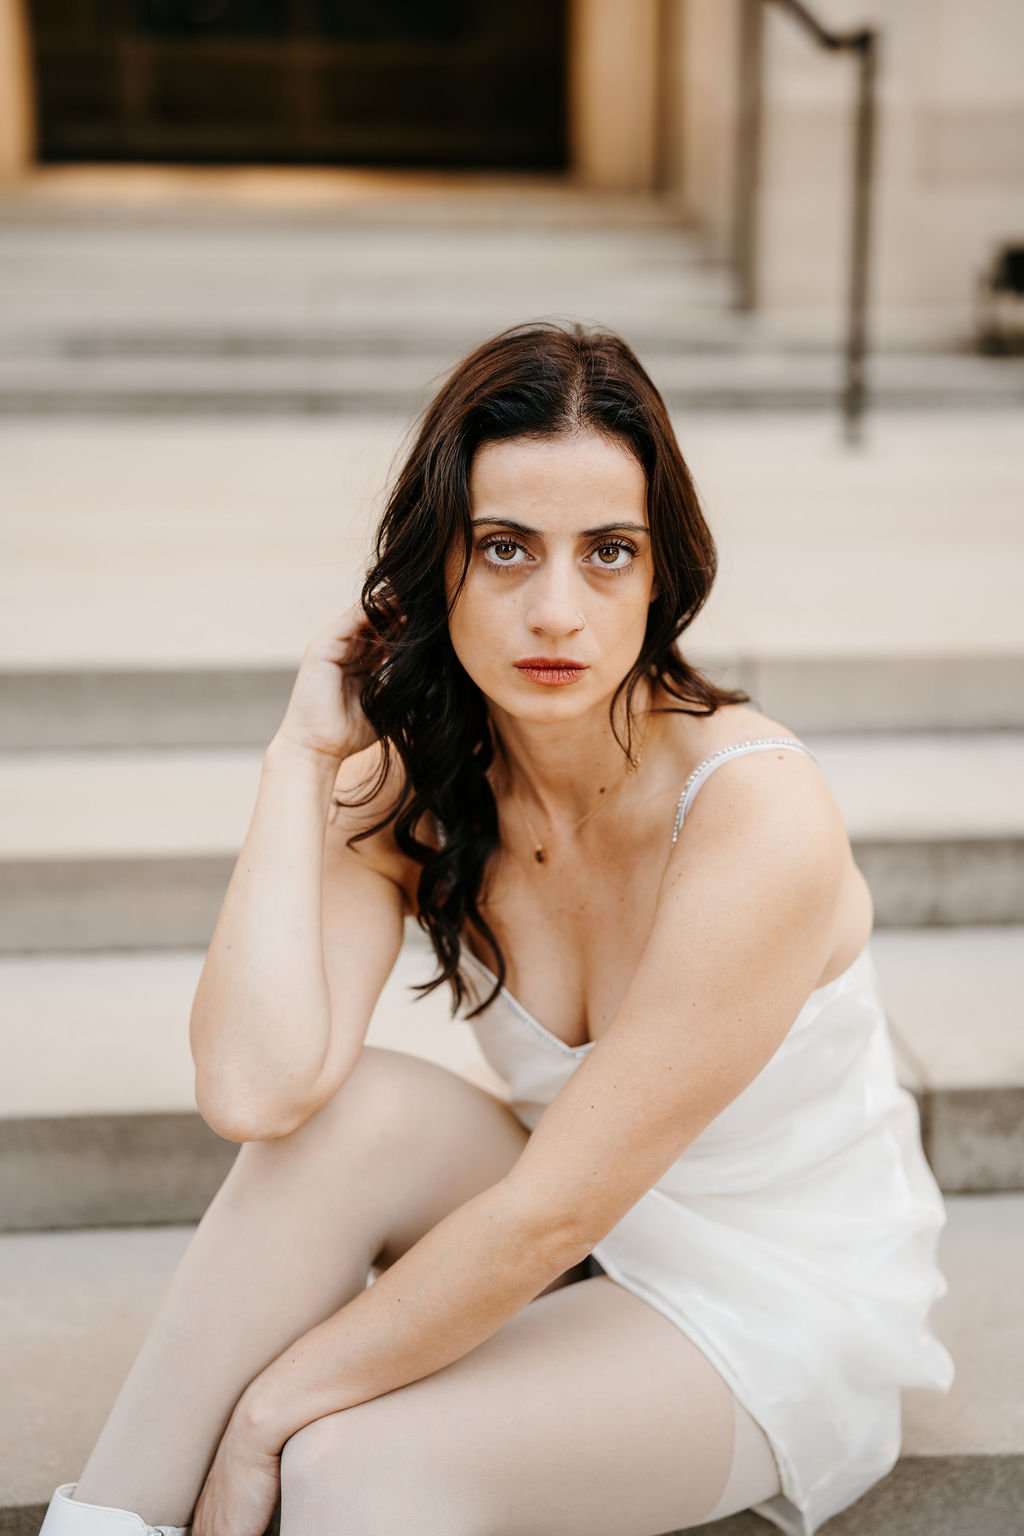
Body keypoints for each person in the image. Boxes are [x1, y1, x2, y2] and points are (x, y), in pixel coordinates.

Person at [39, 320, 954, 1536]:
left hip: (763, 1295)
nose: (556, 611)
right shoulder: (425, 780)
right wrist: (301, 755)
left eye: (607, 553)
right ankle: (104, 1522)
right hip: (583, 1231)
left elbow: (549, 1214)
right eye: (506, 549)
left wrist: (265, 1416)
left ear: (660, 575)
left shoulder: (752, 815)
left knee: (347, 1467)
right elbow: (258, 1092)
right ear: (438, 570)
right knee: (347, 1115)